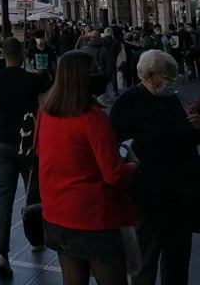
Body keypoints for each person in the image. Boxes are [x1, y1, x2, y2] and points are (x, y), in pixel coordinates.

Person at [37, 50, 137, 285]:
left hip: (56, 211)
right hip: (92, 217)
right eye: (94, 70)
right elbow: (113, 175)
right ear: (81, 78)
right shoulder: (93, 119)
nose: (100, 74)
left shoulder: (45, 110)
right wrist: (133, 165)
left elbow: (42, 153)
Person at [110, 50, 200, 285]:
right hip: (148, 195)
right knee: (147, 257)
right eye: (169, 77)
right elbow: (118, 147)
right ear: (151, 75)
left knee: (178, 258)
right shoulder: (128, 102)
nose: (173, 83)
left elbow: (182, 135)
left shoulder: (169, 98)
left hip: (180, 193)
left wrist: (196, 127)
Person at [0, 36, 44, 277]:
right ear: (21, 55)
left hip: (2, 141)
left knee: (3, 196)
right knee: (32, 191)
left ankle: (1, 252)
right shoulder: (33, 80)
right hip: (27, 143)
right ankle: (35, 240)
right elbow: (42, 111)